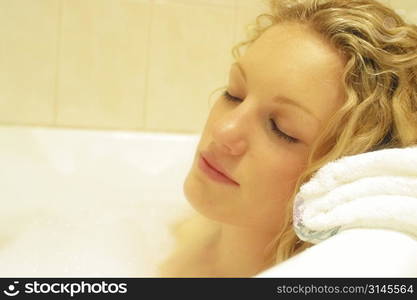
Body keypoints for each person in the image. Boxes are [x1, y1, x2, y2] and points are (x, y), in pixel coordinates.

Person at [157, 0, 417, 277]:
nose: (223, 129)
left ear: (346, 175)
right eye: (234, 93)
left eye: (282, 129)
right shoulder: (179, 231)